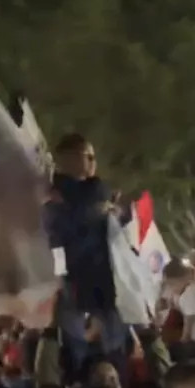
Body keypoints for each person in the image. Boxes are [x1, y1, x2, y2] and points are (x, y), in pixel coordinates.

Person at [46, 133, 127, 369]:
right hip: (81, 295)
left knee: (113, 365)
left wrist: (113, 214)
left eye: (94, 157)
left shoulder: (93, 196)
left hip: (106, 292)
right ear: (69, 159)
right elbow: (57, 244)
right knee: (89, 368)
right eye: (88, 156)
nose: (94, 162)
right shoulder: (56, 201)